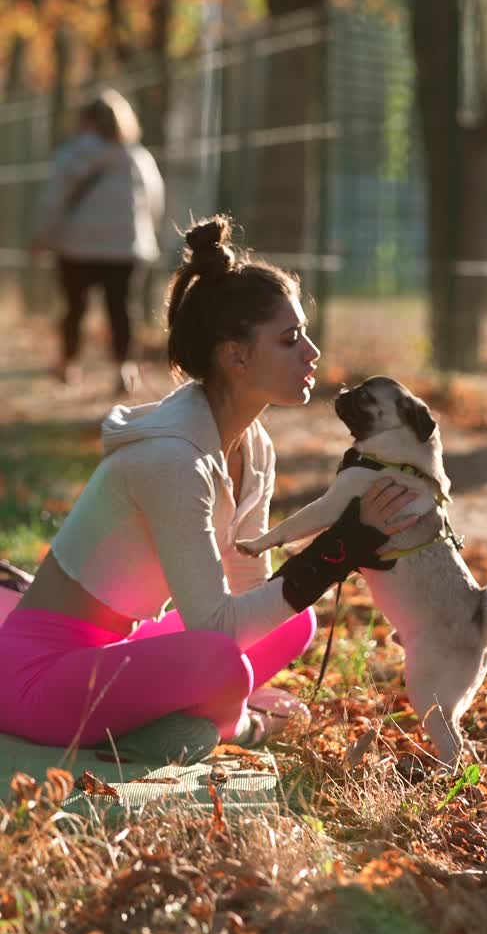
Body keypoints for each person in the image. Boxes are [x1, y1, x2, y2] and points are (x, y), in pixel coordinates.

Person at [0, 216, 418, 760]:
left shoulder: (253, 448)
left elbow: (249, 589)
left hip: (117, 651)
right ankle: (240, 726)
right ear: (236, 356)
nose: (312, 352)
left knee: (293, 624)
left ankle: (177, 717)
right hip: (36, 676)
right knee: (221, 663)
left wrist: (343, 546)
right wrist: (339, 550)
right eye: (290, 339)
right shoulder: (173, 461)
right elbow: (216, 628)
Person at [30, 88, 165, 394]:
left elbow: (54, 201)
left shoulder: (72, 155)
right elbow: (154, 200)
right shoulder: (137, 157)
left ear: (85, 121)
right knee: (122, 309)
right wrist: (148, 233)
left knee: (74, 308)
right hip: (125, 247)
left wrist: (44, 236)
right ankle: (124, 370)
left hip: (77, 246)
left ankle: (68, 364)